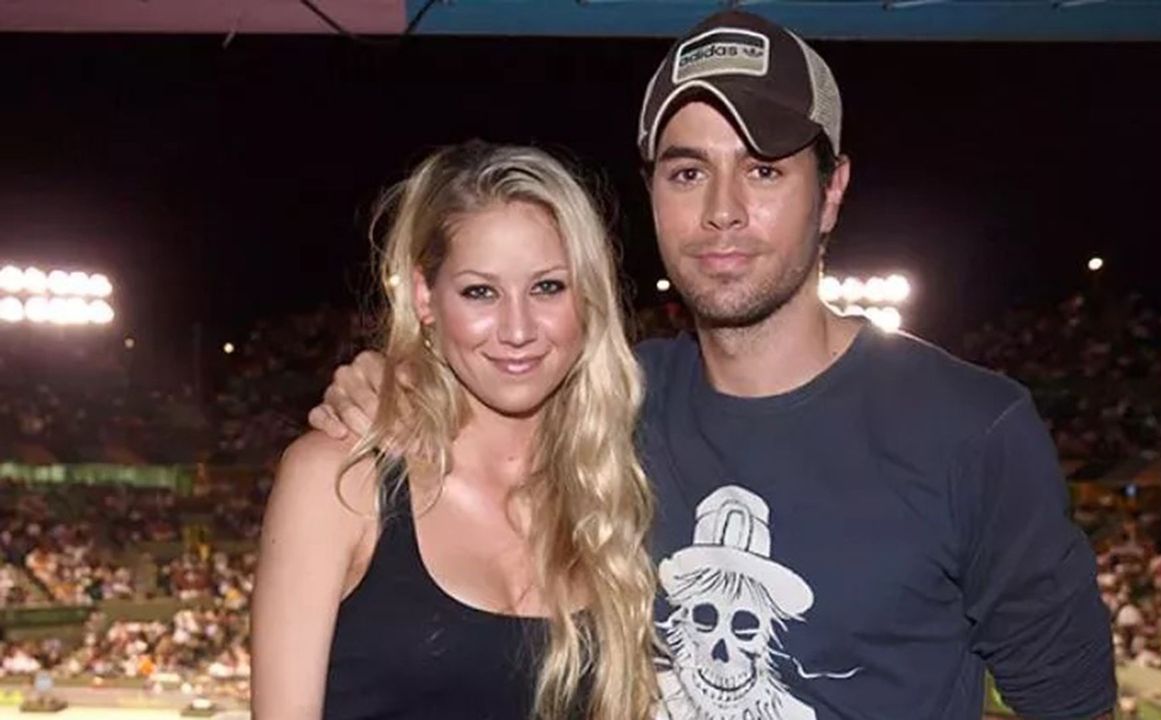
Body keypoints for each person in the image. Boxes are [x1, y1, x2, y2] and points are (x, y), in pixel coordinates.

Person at [309, 11, 1117, 719]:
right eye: (688, 172)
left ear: (832, 190)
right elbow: (466, 403)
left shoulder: (969, 432)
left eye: (763, 170)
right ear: (653, 192)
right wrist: (389, 379)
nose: (722, 210)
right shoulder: (608, 403)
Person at [252, 141, 658, 720]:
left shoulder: (618, 482)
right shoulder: (338, 480)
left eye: (548, 287)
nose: (517, 329)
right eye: (480, 292)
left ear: (589, 295)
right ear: (424, 296)